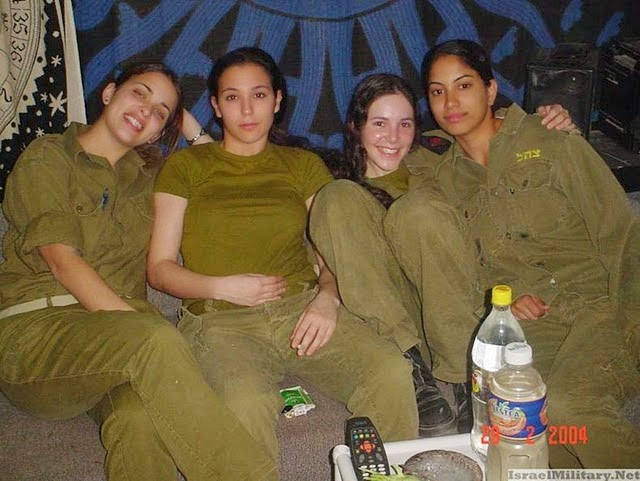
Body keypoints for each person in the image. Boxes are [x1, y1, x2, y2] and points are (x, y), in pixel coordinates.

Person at [0, 63, 277, 481]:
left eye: (160, 111)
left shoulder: (151, 181)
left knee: (139, 419)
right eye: (139, 93)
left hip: (116, 348)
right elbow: (62, 261)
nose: (146, 110)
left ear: (157, 133)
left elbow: (220, 178)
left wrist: (187, 125)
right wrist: (145, 334)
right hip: (37, 335)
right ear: (109, 93)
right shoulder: (49, 156)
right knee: (155, 338)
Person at [146, 47, 418, 466]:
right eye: (232, 97)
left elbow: (331, 250)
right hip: (221, 321)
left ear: (276, 100)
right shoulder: (186, 167)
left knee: (390, 371)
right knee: (247, 401)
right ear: (216, 106)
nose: (247, 109)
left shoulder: (302, 165)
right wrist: (221, 287)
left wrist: (328, 297)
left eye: (258, 95)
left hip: (301, 310)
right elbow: (159, 269)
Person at [385, 39, 640, 467]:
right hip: (529, 326)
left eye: (464, 86)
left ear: (490, 90)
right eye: (437, 91)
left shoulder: (553, 140)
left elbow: (622, 233)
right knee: (530, 434)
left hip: (600, 307)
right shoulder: (440, 176)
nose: (450, 102)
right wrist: (500, 301)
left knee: (571, 407)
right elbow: (455, 262)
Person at [309, 73, 576, 436]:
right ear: (356, 127)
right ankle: (412, 371)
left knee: (418, 209)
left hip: (453, 310)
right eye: (379, 123)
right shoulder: (335, 186)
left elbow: (493, 140)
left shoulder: (439, 163)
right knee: (336, 196)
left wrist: (543, 121)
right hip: (387, 319)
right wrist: (326, 294)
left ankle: (468, 379)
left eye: (405, 124)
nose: (393, 137)